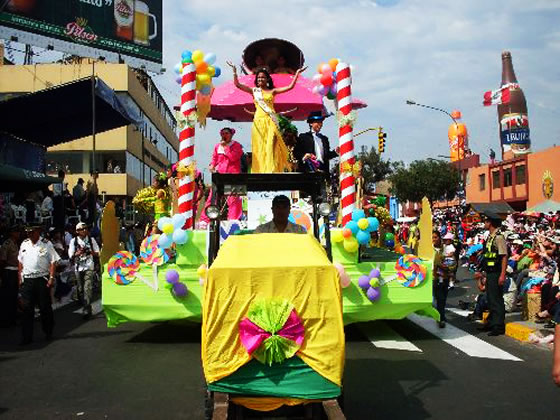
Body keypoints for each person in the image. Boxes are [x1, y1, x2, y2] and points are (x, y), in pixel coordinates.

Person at [226, 61, 306, 173]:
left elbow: (290, 87)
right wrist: (234, 72)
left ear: (267, 79)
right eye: (258, 78)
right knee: (260, 146)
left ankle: (272, 169)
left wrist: (297, 73)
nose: (260, 79)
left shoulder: (273, 91)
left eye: (263, 77)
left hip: (270, 120)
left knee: (272, 142)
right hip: (258, 122)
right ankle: (262, 170)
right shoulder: (254, 91)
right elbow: (238, 85)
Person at [18, 224, 60, 345]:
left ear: (38, 231)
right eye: (28, 232)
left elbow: (53, 261)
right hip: (28, 280)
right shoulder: (24, 244)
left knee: (45, 307)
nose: (29, 234)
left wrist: (51, 278)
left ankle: (48, 331)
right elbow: (20, 262)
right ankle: (26, 336)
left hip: (42, 279)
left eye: (32, 232)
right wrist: (20, 279)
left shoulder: (46, 244)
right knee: (27, 309)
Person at [200, 128, 244, 226]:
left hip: (233, 176)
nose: (224, 135)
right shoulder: (217, 146)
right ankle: (205, 219)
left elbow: (234, 157)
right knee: (212, 197)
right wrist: (212, 165)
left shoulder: (237, 145)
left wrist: (226, 148)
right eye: (223, 133)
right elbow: (214, 159)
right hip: (220, 175)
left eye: (226, 133)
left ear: (231, 135)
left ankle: (233, 219)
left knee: (234, 199)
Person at [477, 212, 508, 336]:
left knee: (496, 299)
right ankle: (491, 322)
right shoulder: (490, 237)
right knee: (490, 298)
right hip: (489, 271)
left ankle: (498, 326)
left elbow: (504, 256)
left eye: (486, 221)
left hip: (496, 272)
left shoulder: (499, 237)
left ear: (490, 223)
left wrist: (502, 275)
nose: (484, 223)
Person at [68, 222, 99, 319]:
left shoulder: (91, 239)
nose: (85, 230)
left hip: (89, 266)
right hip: (78, 267)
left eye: (86, 228)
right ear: (77, 231)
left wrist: (90, 251)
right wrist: (78, 253)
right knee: (81, 289)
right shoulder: (73, 241)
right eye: (82, 229)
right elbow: (70, 255)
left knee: (87, 287)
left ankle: (86, 309)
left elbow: (98, 253)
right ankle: (86, 306)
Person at [0, 225, 22, 327]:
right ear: (11, 233)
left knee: (14, 296)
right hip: (8, 271)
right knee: (8, 297)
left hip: (15, 271)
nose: (18, 233)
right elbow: (3, 260)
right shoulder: (7, 244)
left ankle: (13, 318)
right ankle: (7, 320)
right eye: (16, 232)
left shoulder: (15, 243)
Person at [432, 231, 449, 328]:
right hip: (435, 277)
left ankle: (441, 314)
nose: (434, 239)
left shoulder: (445, 248)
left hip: (445, 276)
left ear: (439, 237)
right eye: (432, 237)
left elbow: (451, 260)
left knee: (444, 297)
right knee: (440, 298)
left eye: (435, 237)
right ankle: (440, 317)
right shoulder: (430, 249)